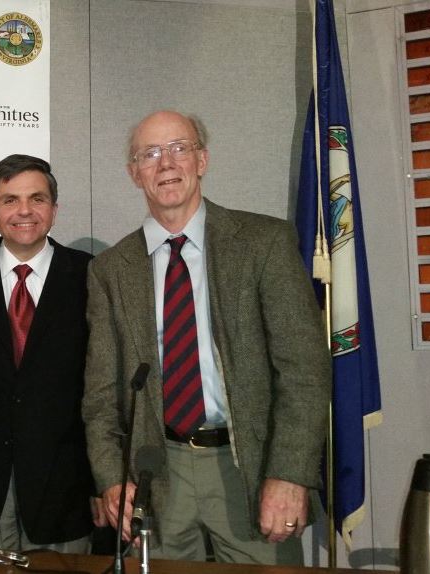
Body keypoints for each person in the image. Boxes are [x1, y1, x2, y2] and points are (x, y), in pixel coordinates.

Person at [82, 110, 331, 564]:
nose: (166, 164)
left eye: (180, 148)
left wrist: (290, 474)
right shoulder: (110, 270)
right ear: (134, 173)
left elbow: (305, 371)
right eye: (150, 154)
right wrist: (111, 480)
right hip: (158, 477)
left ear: (202, 160)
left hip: (248, 470)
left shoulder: (264, 242)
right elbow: (100, 395)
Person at [0, 154, 103, 553]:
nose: (24, 211)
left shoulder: (93, 277)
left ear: (54, 210)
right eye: (10, 200)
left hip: (65, 490)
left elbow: (106, 390)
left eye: (37, 198)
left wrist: (106, 481)